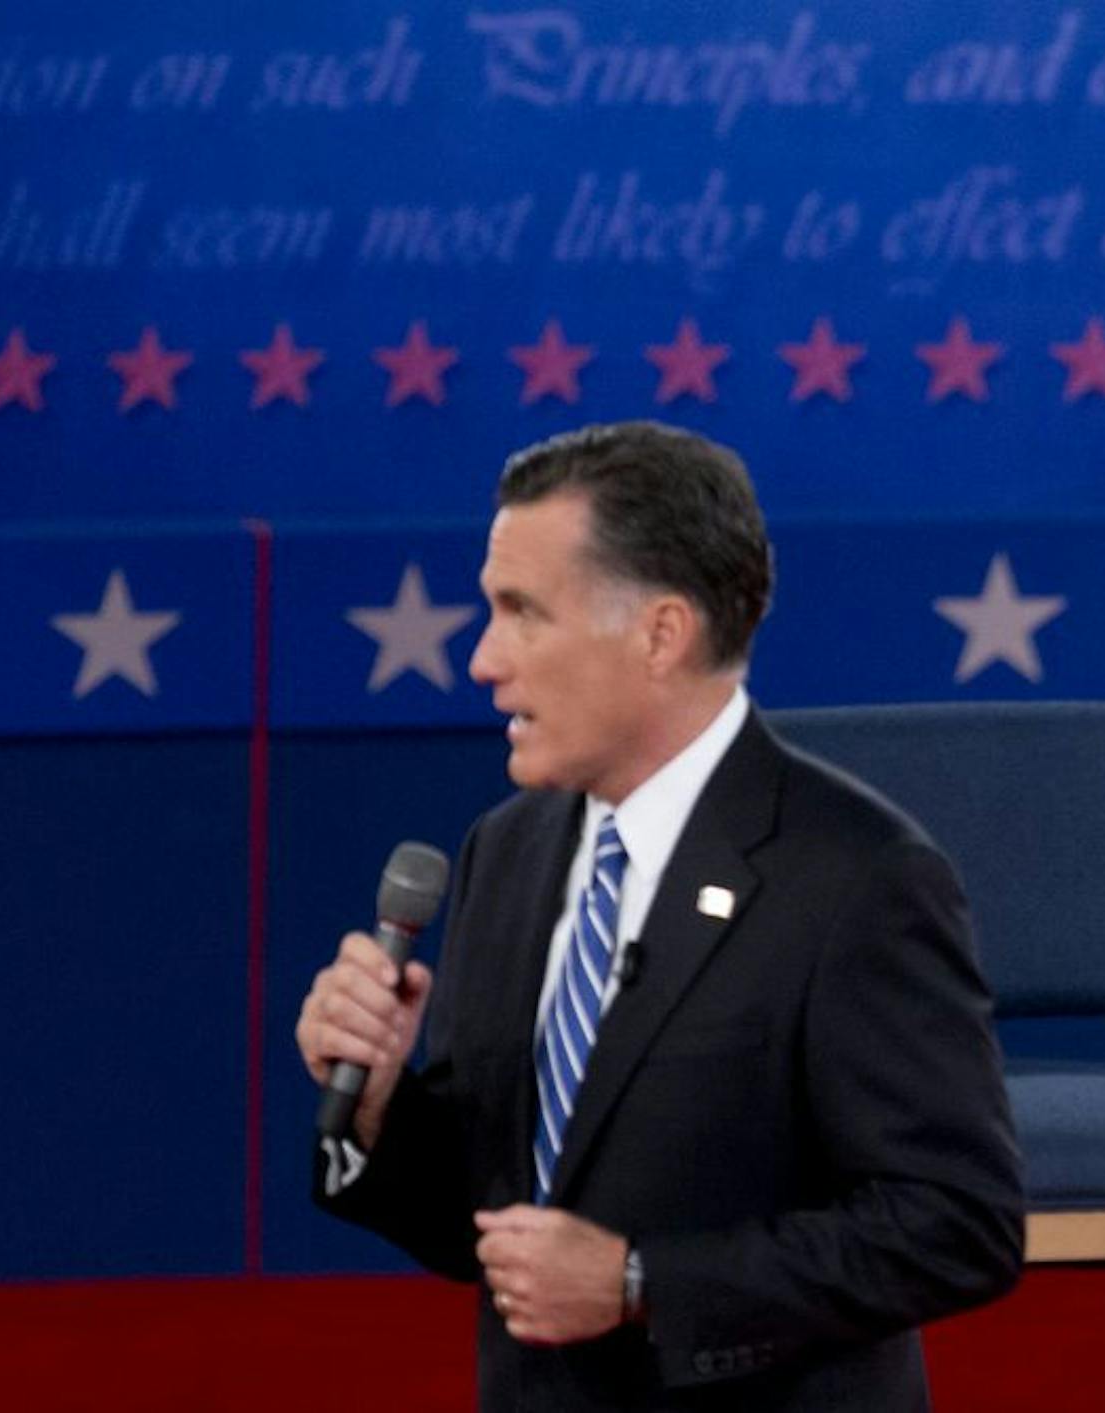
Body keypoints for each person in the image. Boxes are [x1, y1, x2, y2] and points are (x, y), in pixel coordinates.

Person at [295, 421, 1023, 1411]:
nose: (483, 660)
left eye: (522, 613)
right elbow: (495, 1214)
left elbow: (958, 1223)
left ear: (660, 634)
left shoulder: (858, 877)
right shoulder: (505, 852)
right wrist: (381, 1106)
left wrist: (644, 1284)